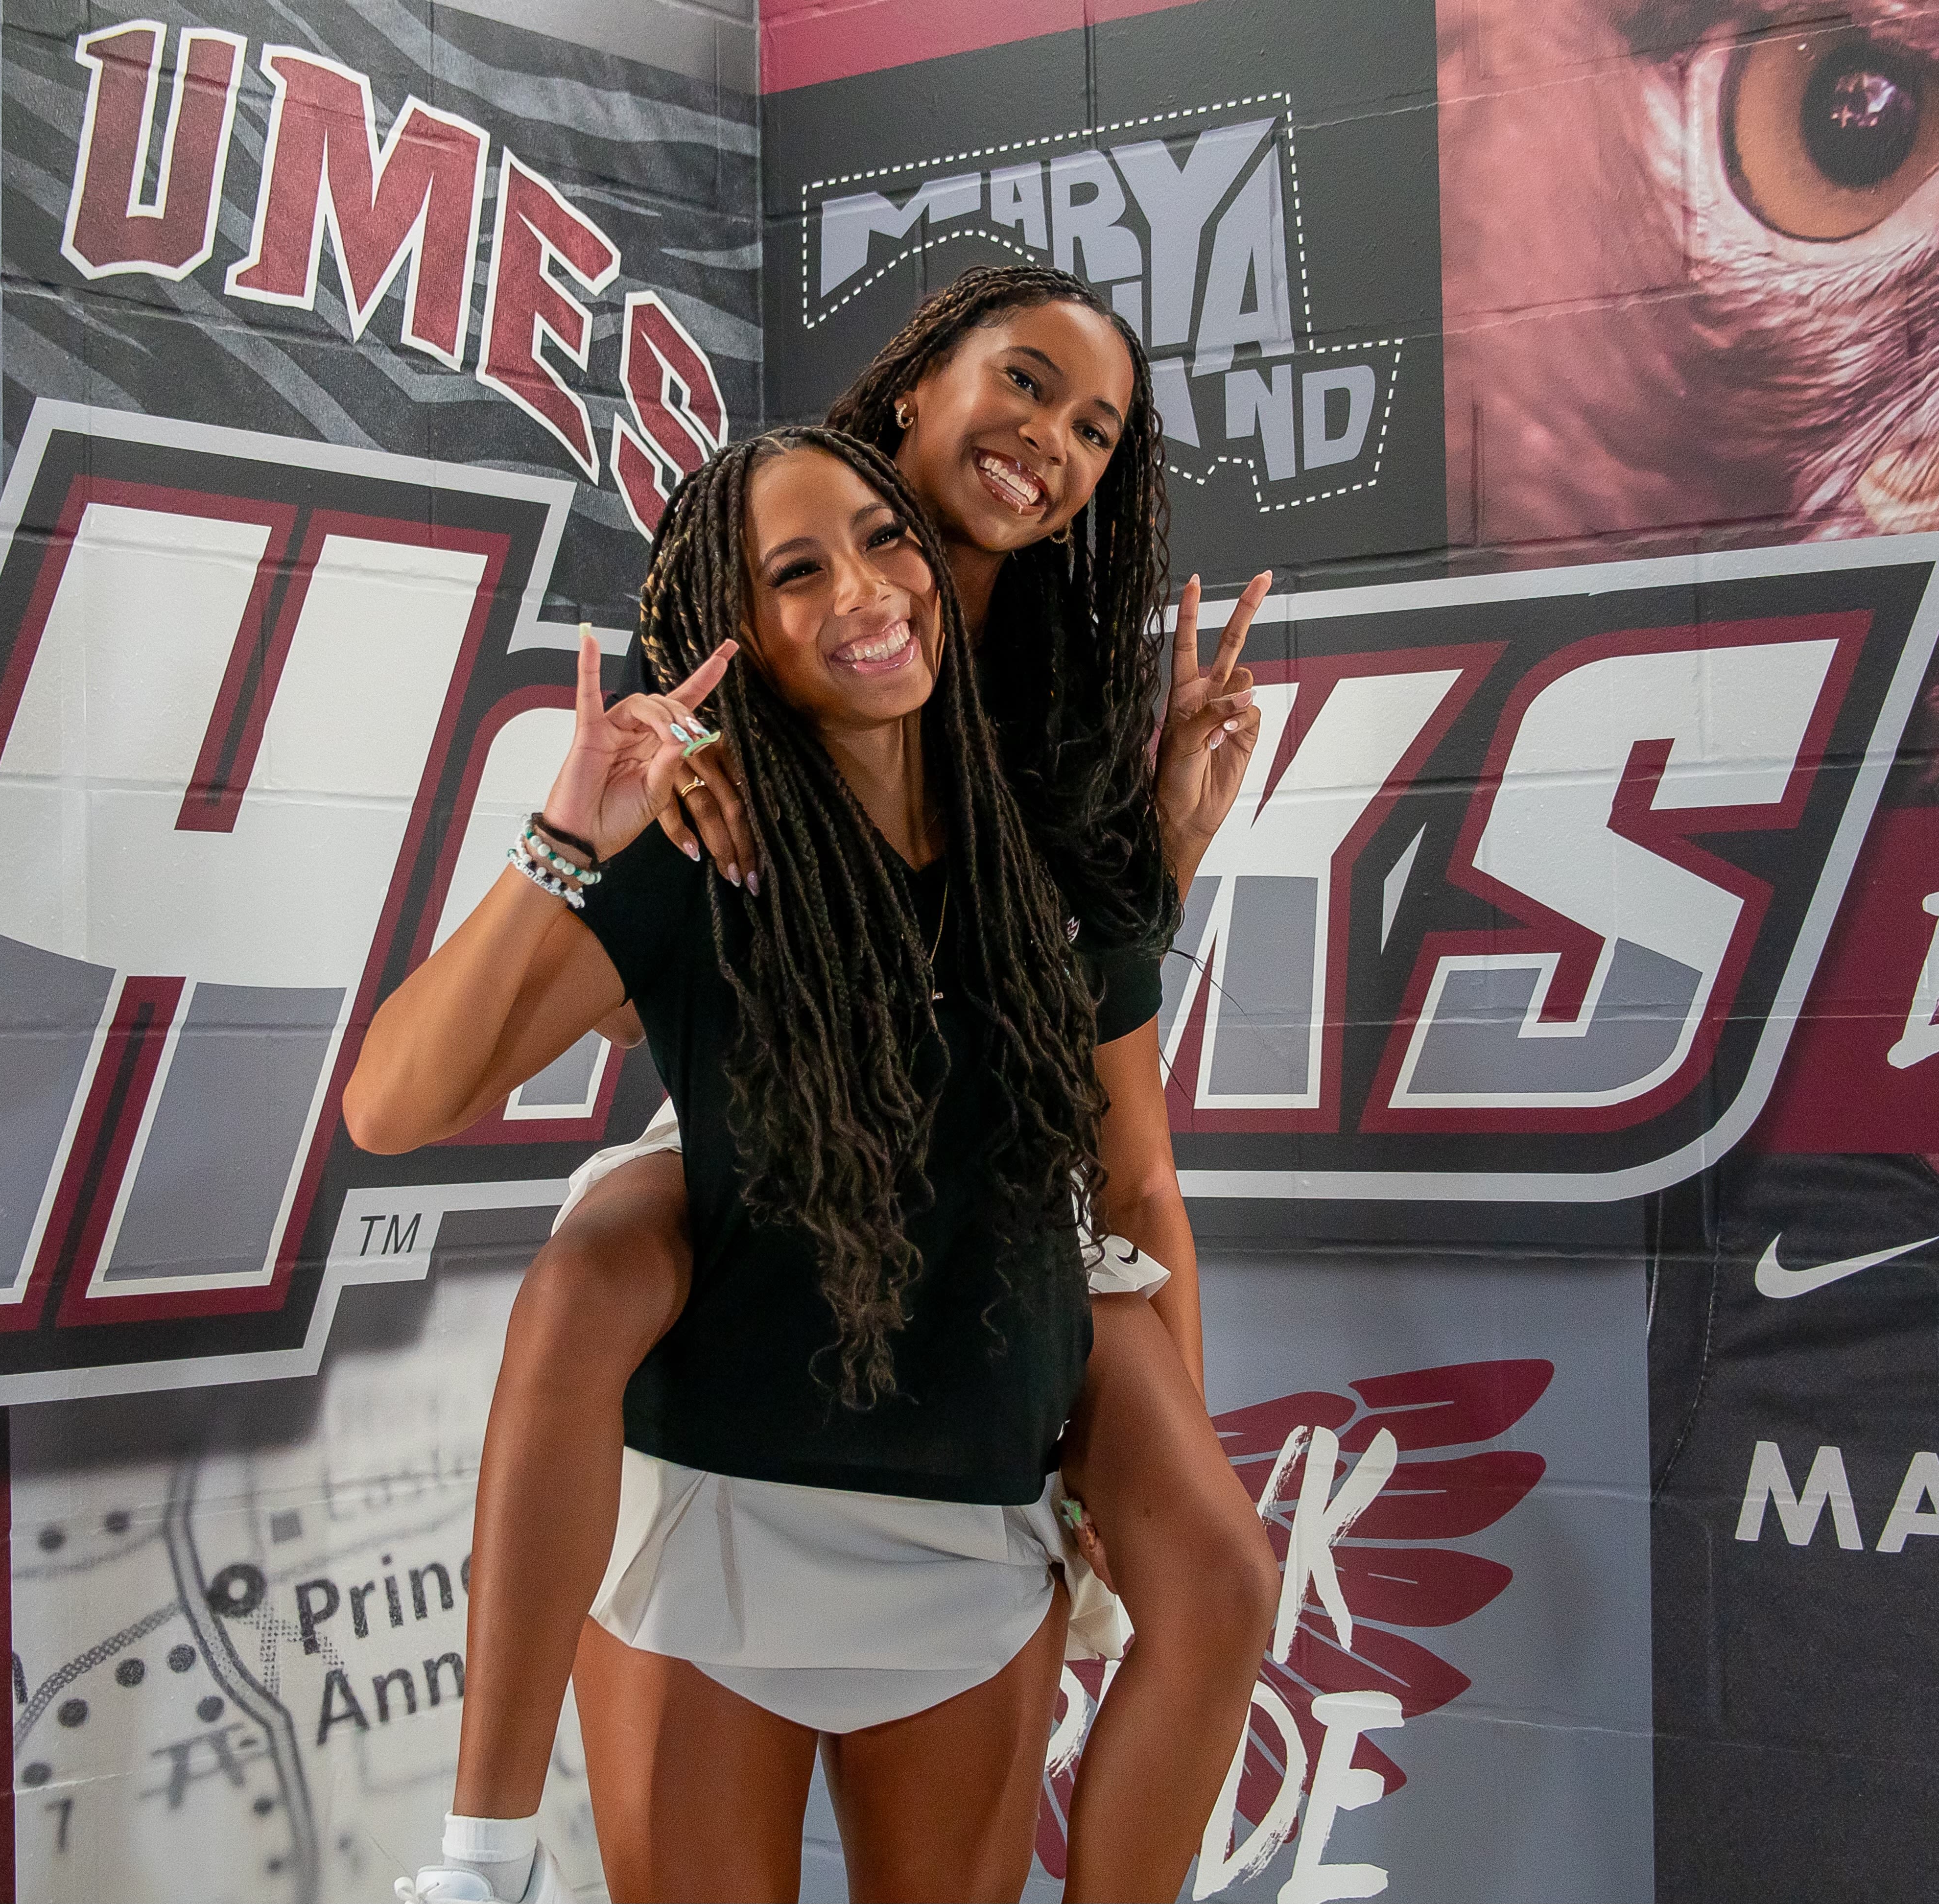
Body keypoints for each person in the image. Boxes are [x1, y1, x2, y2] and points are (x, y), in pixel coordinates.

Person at [377, 267, 1280, 1904]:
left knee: (1214, 1570)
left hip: (995, 1155)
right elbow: (415, 1091)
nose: (1049, 442)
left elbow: (1109, 1087)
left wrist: (1153, 860)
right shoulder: (733, 738)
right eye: (1022, 383)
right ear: (915, 385)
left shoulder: (1061, 703)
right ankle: (476, 1853)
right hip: (784, 1102)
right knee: (588, 1278)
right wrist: (607, 827)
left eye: (1093, 428)